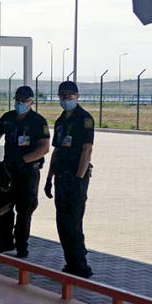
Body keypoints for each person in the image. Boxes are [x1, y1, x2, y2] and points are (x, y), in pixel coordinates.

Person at [0, 85, 50, 258]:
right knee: (3, 206)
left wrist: (23, 160)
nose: (20, 104)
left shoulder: (38, 121)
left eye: (24, 101)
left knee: (24, 209)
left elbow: (44, 148)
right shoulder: (8, 118)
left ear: (31, 102)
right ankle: (4, 241)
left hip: (27, 172)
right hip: (8, 171)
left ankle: (22, 245)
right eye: (18, 101)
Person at [44, 81, 94, 278]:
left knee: (73, 221)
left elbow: (87, 150)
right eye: (62, 95)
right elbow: (56, 151)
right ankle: (70, 263)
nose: (66, 99)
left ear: (77, 96)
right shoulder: (61, 121)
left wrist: (78, 179)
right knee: (62, 222)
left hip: (76, 177)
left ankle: (81, 265)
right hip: (61, 176)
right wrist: (49, 177)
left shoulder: (84, 119)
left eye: (69, 95)